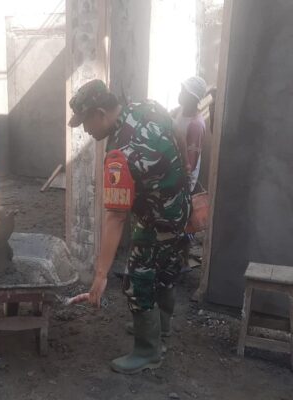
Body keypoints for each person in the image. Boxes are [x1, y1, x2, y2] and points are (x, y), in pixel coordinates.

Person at [68, 80, 190, 374]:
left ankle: (148, 352)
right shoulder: (147, 106)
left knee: (138, 281)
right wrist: (183, 170)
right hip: (179, 209)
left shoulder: (119, 155)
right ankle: (160, 331)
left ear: (100, 113)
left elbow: (116, 217)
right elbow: (178, 133)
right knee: (166, 272)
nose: (85, 130)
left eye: (85, 122)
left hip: (155, 221)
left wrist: (101, 274)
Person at [170, 76, 208, 193]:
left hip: (184, 182)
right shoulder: (181, 109)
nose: (180, 94)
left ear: (193, 98)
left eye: (184, 92)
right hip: (174, 165)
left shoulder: (195, 125)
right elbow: (167, 117)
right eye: (181, 90)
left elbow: (189, 167)